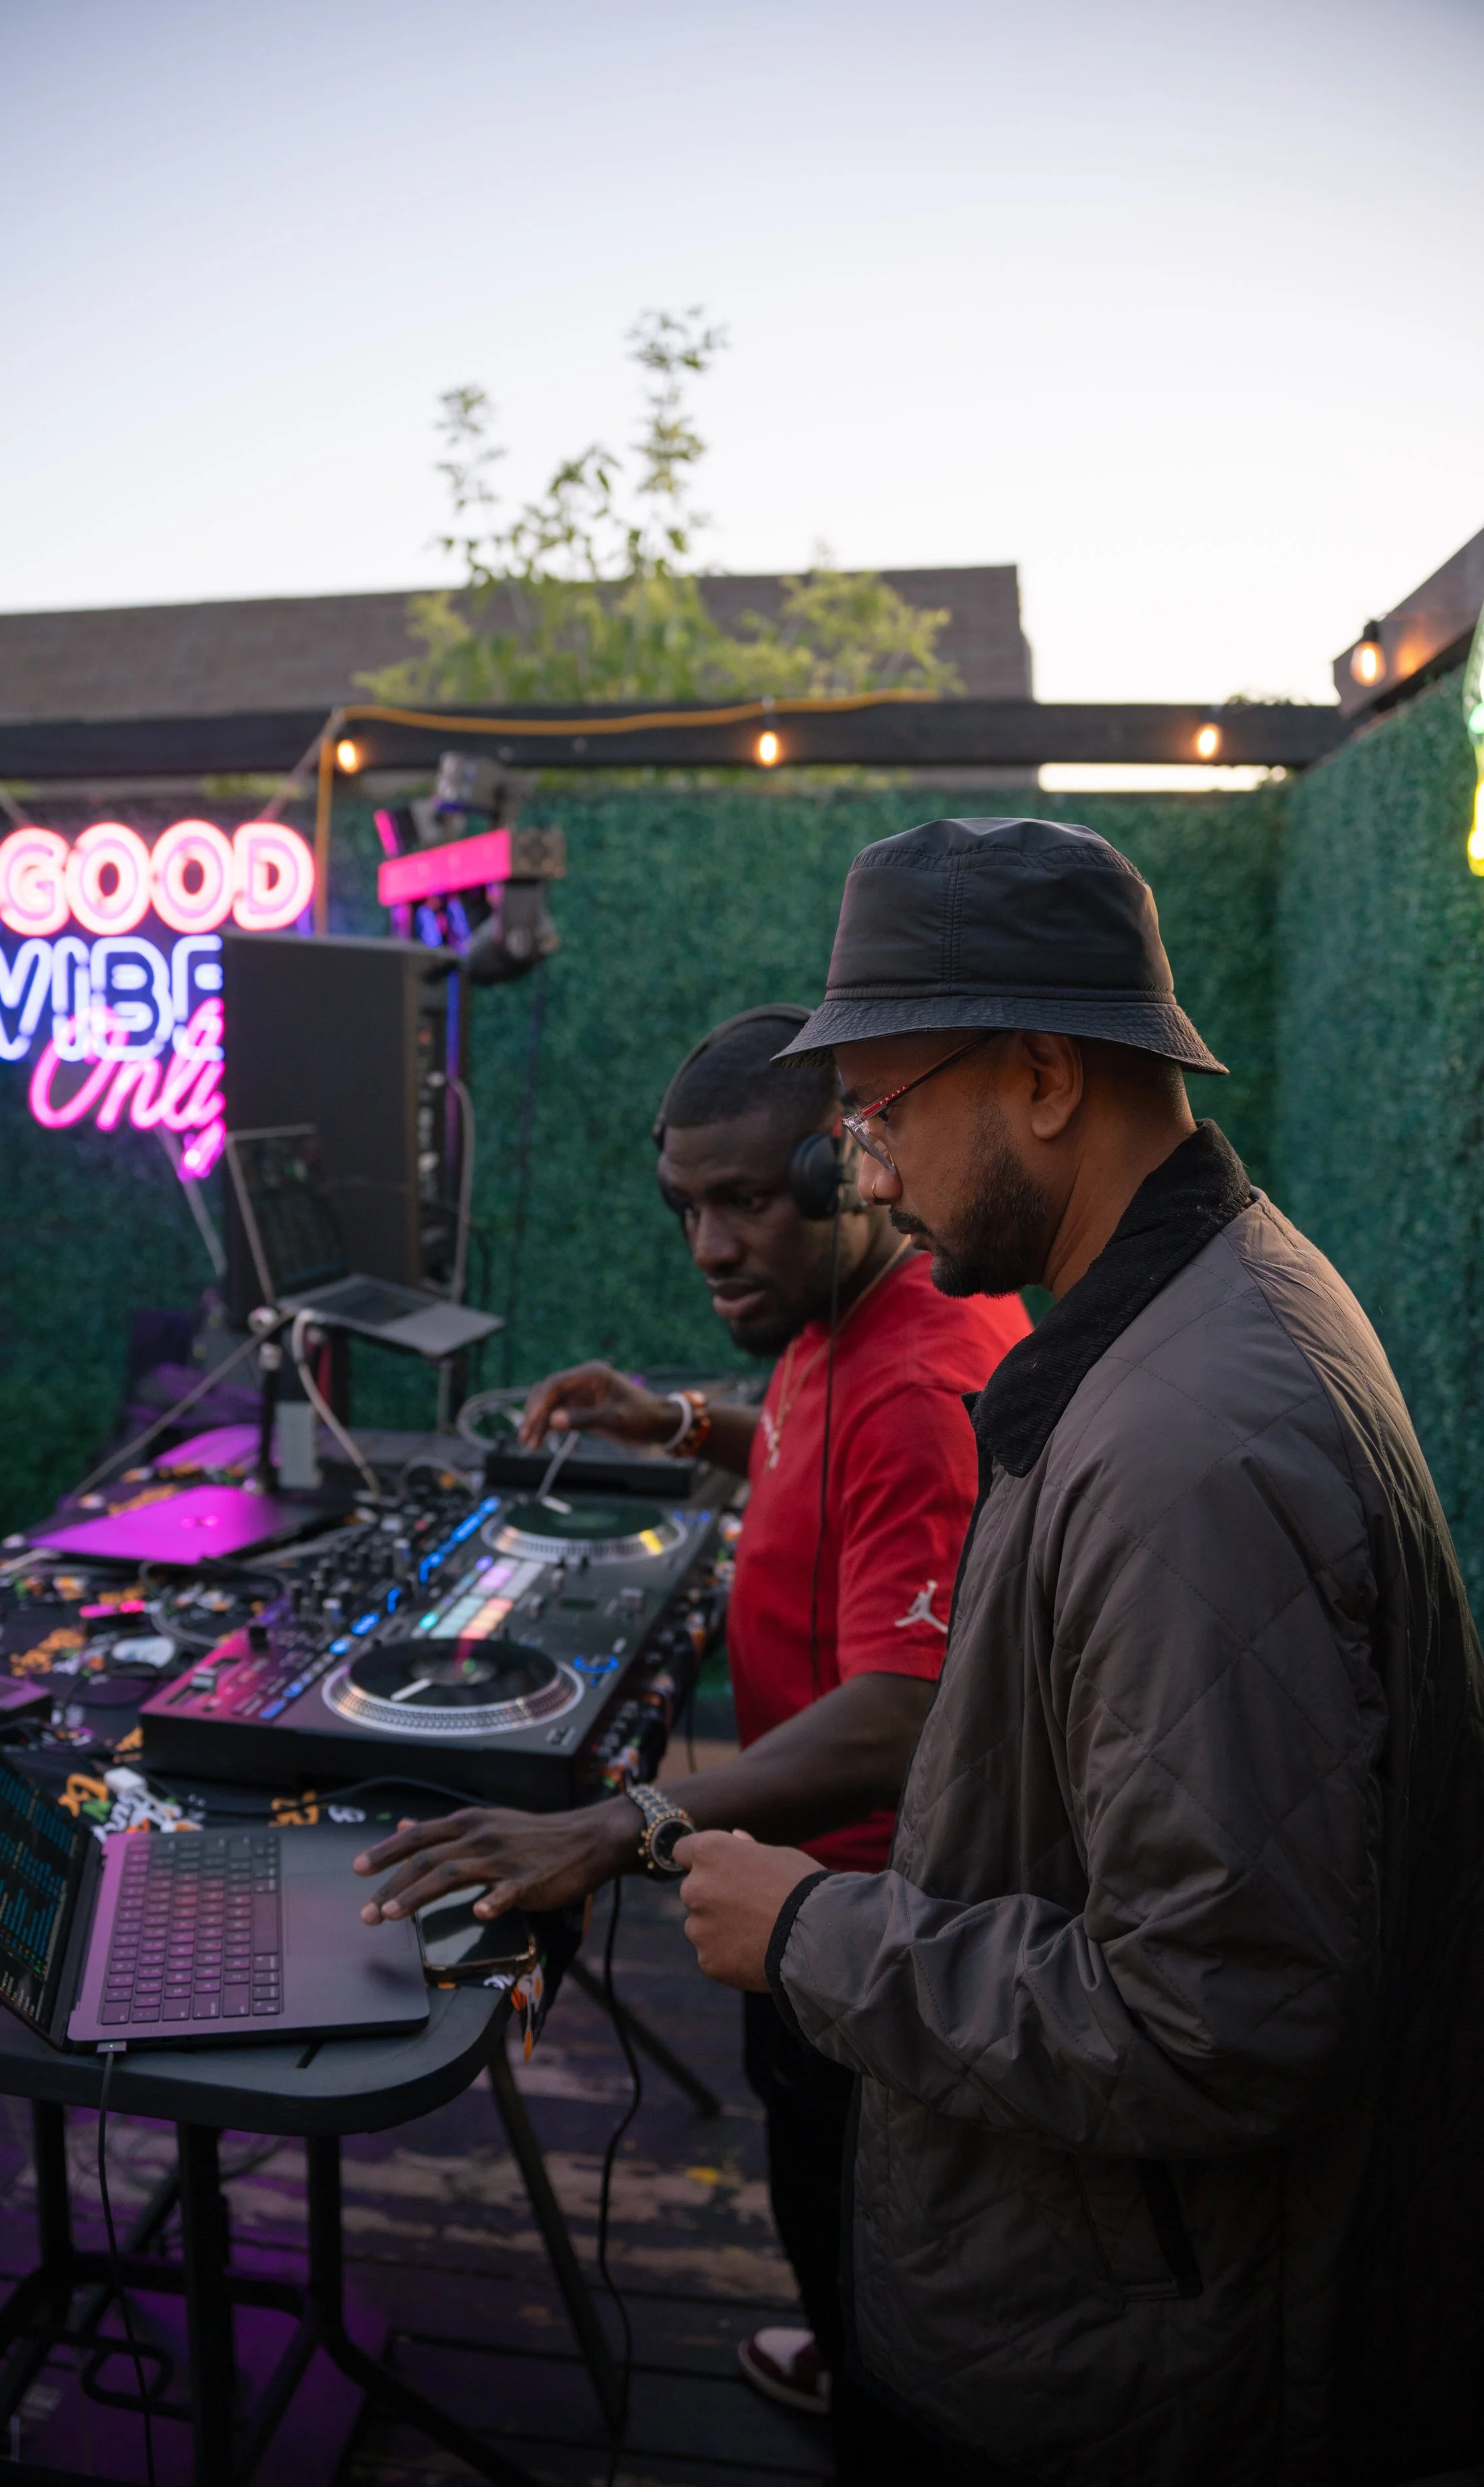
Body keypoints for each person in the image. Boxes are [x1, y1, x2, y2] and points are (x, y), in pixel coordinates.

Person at [675, 814, 1484, 2487]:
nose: (866, 1172)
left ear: (1042, 1074)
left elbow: (1213, 2023)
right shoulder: (1199, 1315)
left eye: (881, 1112)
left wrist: (810, 1929)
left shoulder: (1190, 1446)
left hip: (1134, 2375)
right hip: (1132, 2310)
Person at [355, 1005, 1028, 2429]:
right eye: (687, 1208)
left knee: (853, 2211)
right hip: (824, 1889)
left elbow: (909, 1711)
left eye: (741, 1203)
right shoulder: (840, 1315)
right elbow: (797, 1451)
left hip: (861, 1920)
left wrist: (618, 1825)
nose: (710, 1247)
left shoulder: (914, 1377)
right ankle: (855, 2356)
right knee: (828, 2199)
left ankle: (874, 2395)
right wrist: (672, 1423)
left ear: (842, 1168)